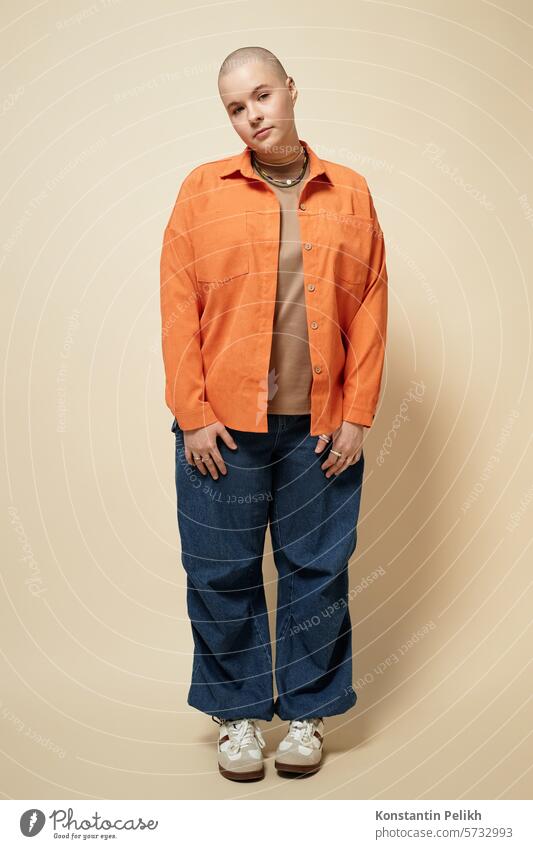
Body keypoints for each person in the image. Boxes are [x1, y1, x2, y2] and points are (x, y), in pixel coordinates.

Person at [160, 46, 388, 781]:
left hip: (320, 426)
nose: (251, 115)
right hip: (222, 426)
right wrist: (191, 413)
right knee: (220, 572)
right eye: (234, 107)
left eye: (260, 96)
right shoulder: (200, 191)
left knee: (316, 573)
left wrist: (358, 413)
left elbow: (372, 307)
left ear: (290, 90)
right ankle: (237, 719)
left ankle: (307, 713)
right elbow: (176, 308)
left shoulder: (350, 192)